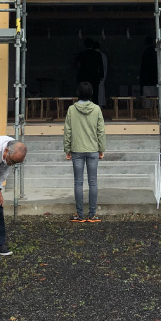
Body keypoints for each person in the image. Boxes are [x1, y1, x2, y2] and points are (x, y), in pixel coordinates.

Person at [63, 81, 106, 222]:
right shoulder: (97, 109)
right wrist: (101, 149)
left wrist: (67, 149)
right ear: (91, 93)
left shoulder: (71, 109)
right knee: (93, 182)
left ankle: (80, 215)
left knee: (78, 183)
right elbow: (101, 131)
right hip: (93, 149)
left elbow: (67, 131)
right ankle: (92, 214)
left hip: (76, 149)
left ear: (78, 93)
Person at [75, 37, 104, 104]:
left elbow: (77, 65)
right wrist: (101, 76)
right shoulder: (97, 54)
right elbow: (101, 66)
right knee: (95, 95)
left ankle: (82, 109)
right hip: (94, 77)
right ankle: (95, 110)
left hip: (83, 77)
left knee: (82, 94)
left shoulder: (82, 54)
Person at [94, 40, 108, 109]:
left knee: (96, 90)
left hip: (95, 75)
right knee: (101, 89)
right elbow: (105, 67)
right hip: (102, 75)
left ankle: (98, 103)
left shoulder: (94, 54)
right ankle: (101, 103)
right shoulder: (103, 55)